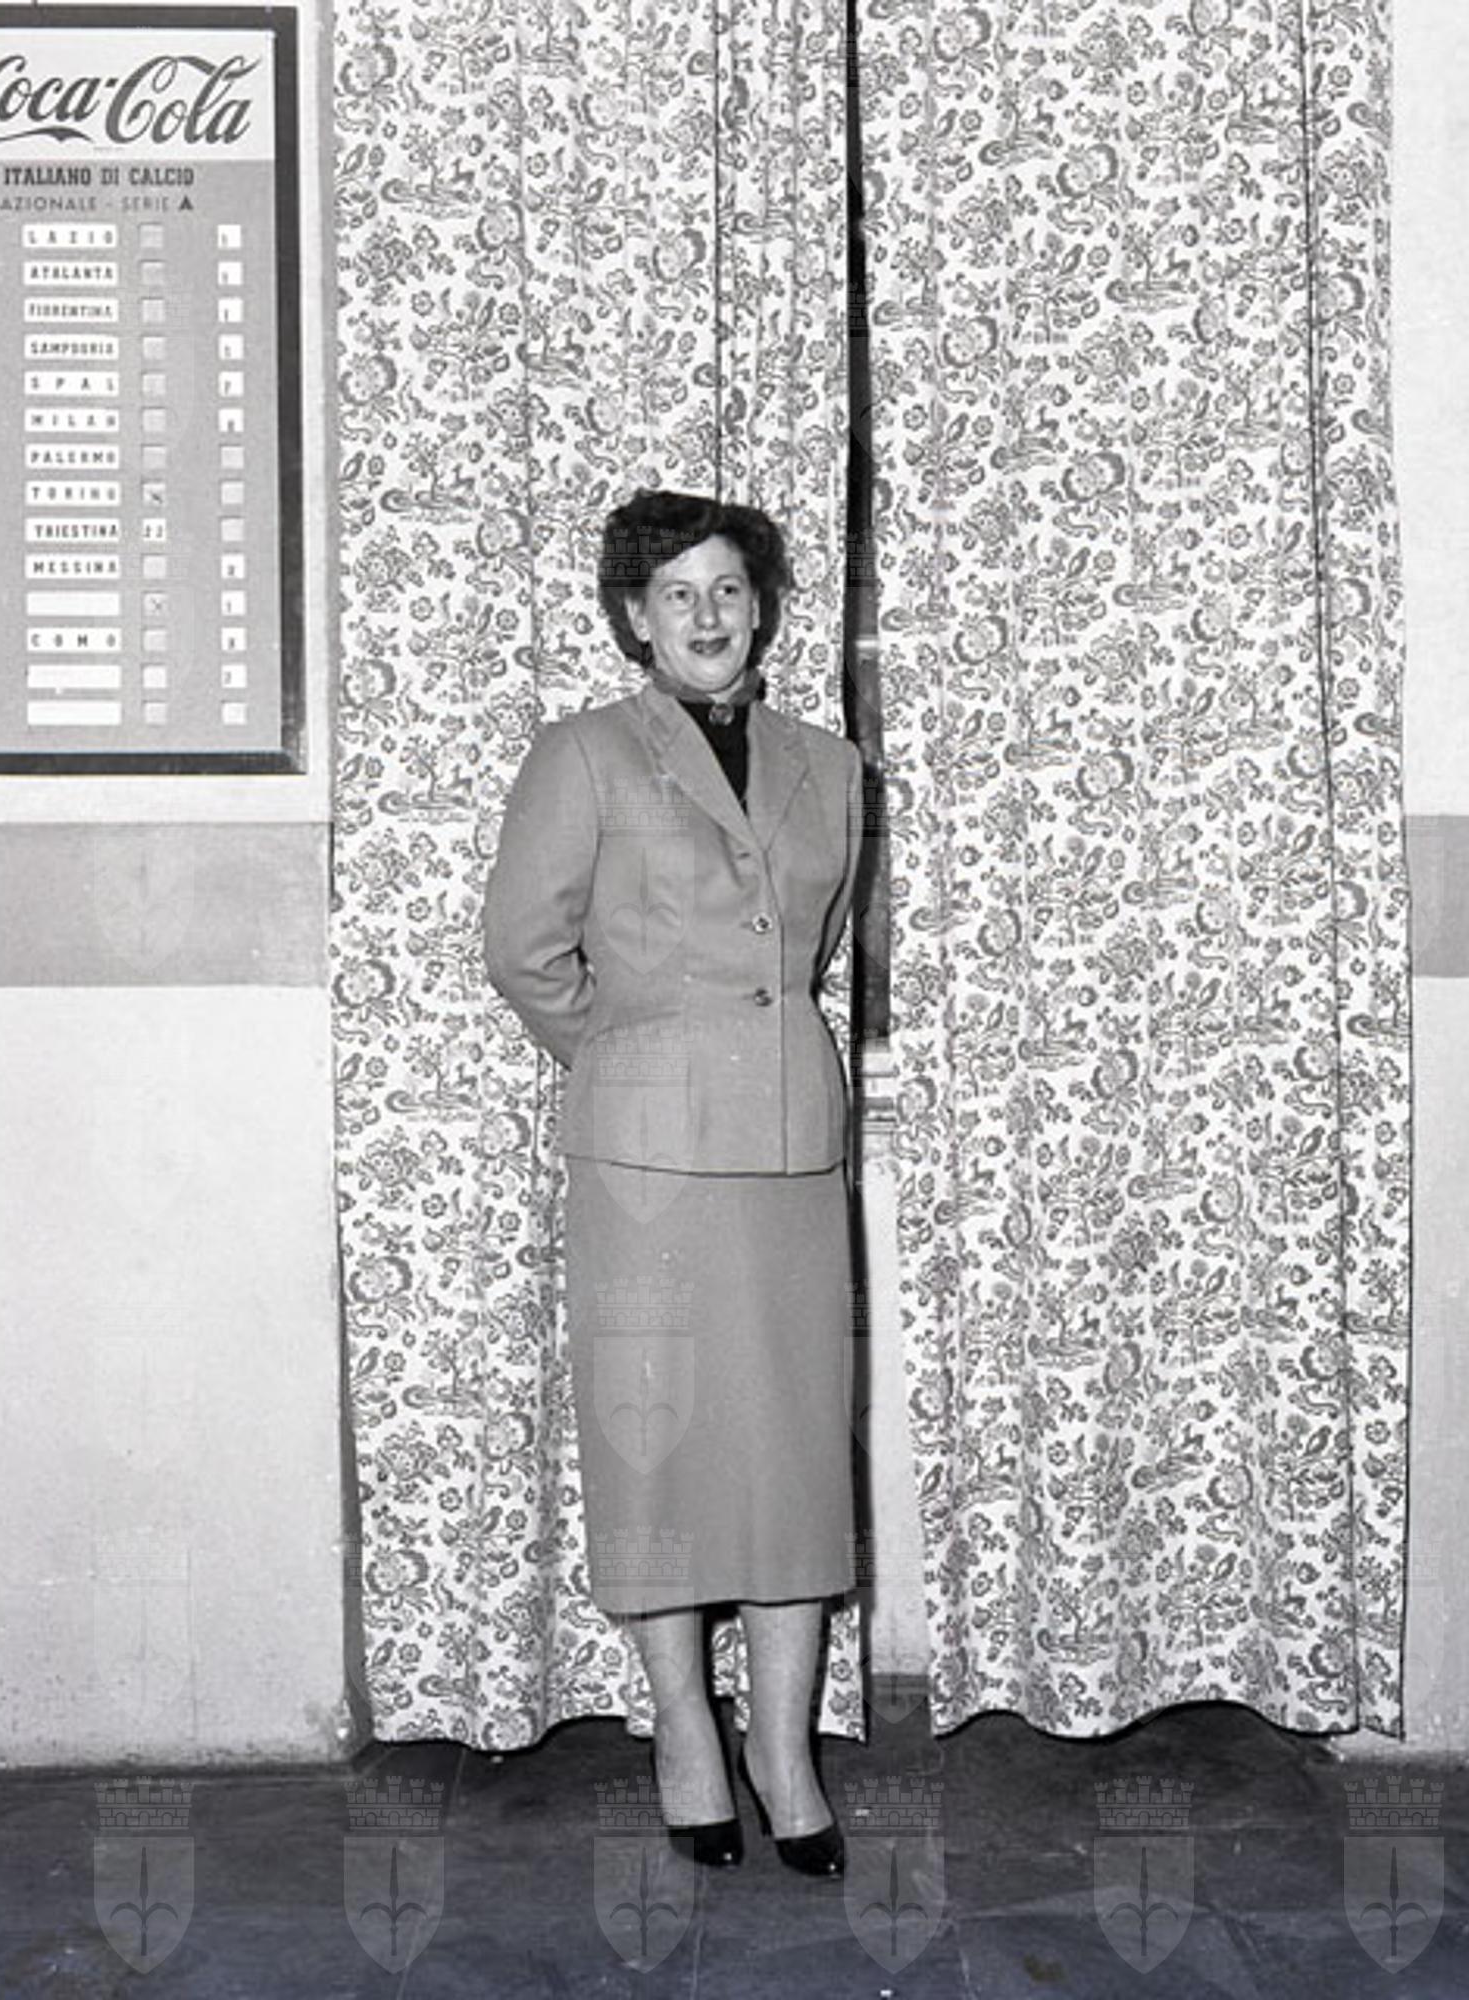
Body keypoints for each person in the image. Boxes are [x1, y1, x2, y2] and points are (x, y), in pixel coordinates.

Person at [483, 489, 863, 1875]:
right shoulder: (582, 755)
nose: (709, 615)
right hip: (645, 1162)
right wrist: (639, 1058)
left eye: (729, 590)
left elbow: (813, 944)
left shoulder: (834, 766)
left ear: (762, 609)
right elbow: (524, 951)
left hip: (789, 1151)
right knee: (658, 1449)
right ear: (635, 620)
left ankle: (784, 1751)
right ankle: (686, 1737)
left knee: (790, 1455)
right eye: (677, 594)